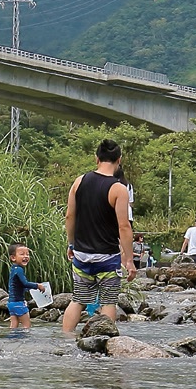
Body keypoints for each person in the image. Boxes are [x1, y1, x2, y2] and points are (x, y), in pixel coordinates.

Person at [63, 139, 136, 334]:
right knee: (108, 302)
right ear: (119, 160)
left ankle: (65, 340)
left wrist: (71, 244)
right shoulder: (119, 189)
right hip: (107, 257)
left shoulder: (79, 182)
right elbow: (124, 226)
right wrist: (129, 260)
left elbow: (70, 216)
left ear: (96, 158)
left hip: (81, 254)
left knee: (77, 299)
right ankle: (105, 341)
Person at [5, 243, 44, 330]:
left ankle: (11, 341)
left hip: (11, 303)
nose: (26, 256)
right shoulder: (19, 270)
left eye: (27, 254)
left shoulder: (13, 269)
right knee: (27, 326)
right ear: (13, 258)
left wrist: (28, 288)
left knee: (13, 326)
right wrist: (37, 285)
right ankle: (25, 342)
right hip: (19, 303)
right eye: (22, 254)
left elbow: (18, 285)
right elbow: (25, 283)